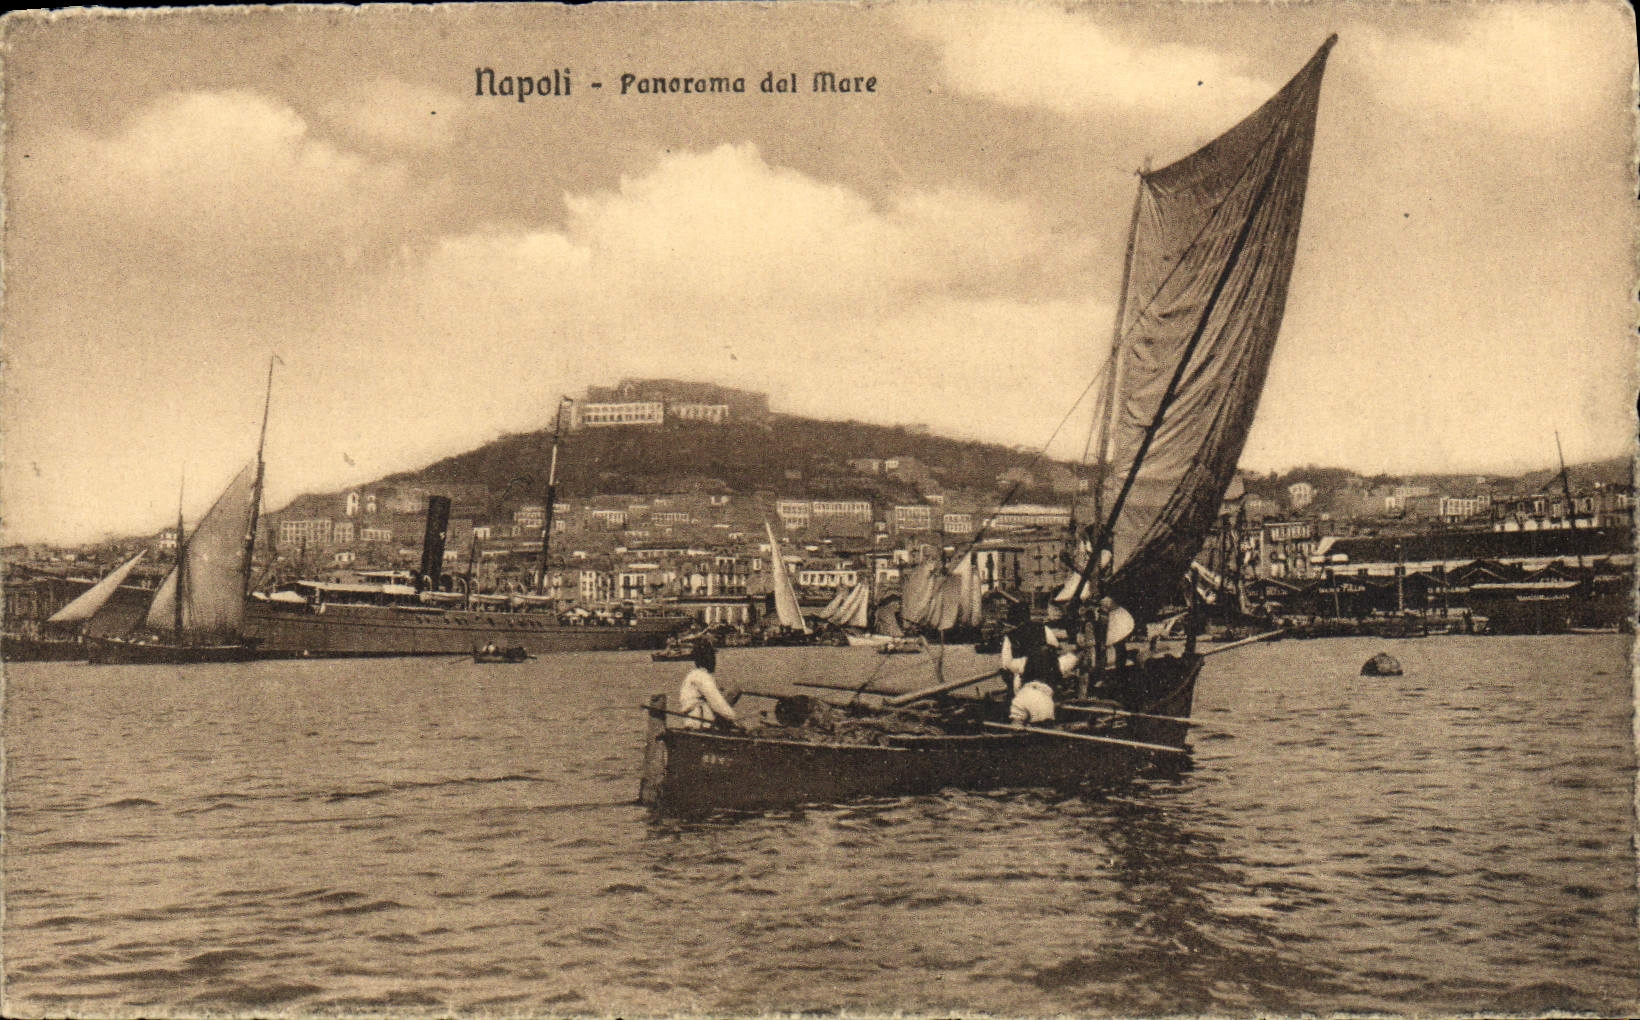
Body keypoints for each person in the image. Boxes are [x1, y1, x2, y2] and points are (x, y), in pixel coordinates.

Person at [677, 640, 739, 729]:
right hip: (700, 724)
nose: (714, 661)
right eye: (712, 657)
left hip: (693, 722)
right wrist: (734, 718)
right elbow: (717, 702)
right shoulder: (702, 677)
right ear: (705, 659)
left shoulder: (693, 674)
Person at [1008, 645, 1059, 725]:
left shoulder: (1024, 692)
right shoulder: (1047, 694)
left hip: (1024, 696)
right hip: (1044, 705)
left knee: (1017, 718)